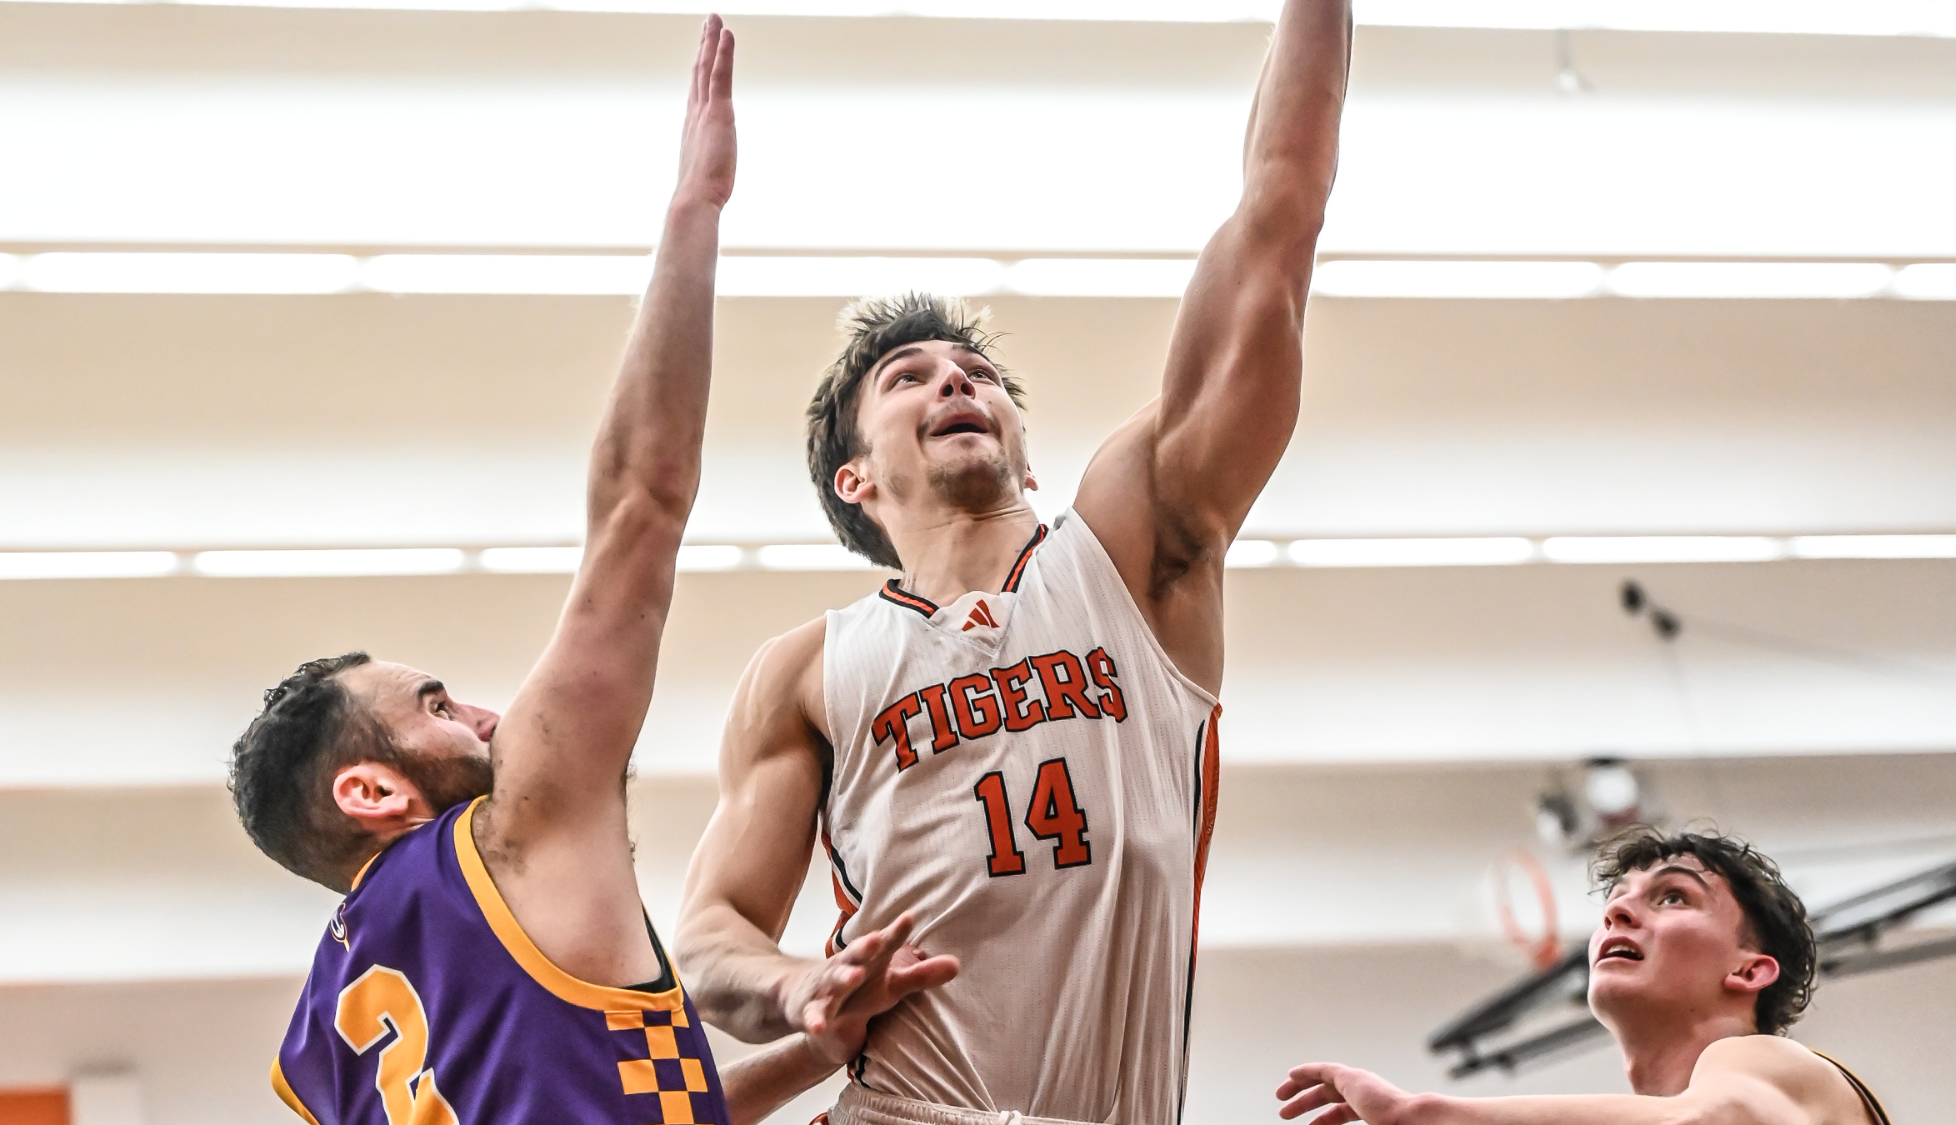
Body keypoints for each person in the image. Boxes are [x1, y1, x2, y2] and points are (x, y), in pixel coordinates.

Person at [672, 4, 1354, 1124]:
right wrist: (800, 985)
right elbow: (708, 937)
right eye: (907, 375)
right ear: (855, 480)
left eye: (976, 371)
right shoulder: (807, 669)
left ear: (1023, 447)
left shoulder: (1132, 557)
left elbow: (1277, 219)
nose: (955, 381)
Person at [228, 21, 902, 1125]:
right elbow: (638, 510)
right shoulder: (509, 831)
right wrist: (694, 213)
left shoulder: (323, 1046)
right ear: (371, 791)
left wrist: (816, 1045)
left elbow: (629, 1099)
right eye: (435, 705)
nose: (487, 713)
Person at [1276, 829, 1892, 1125]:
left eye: (1674, 898)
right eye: (1616, 900)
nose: (1618, 911)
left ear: (1750, 969)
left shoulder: (1769, 1063)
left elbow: (1720, 1120)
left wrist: (1422, 1112)